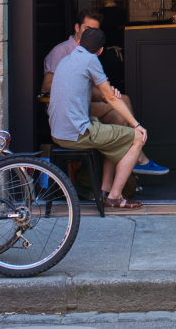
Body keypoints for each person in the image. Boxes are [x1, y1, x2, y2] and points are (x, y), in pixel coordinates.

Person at [43, 9, 168, 177]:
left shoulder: (86, 51)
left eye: (95, 31)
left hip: (80, 108)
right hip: (67, 112)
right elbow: (47, 86)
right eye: (88, 30)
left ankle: (112, 184)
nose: (91, 35)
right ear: (77, 28)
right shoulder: (63, 52)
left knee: (119, 115)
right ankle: (136, 158)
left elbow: (83, 85)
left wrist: (99, 88)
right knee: (118, 102)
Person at [49, 28, 147, 210]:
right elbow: (111, 99)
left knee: (112, 128)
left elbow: (95, 92)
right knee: (137, 138)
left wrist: (107, 93)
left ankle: (105, 190)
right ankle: (115, 198)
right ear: (101, 50)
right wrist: (137, 125)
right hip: (76, 134)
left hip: (59, 132)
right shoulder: (91, 60)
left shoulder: (66, 59)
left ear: (79, 43)